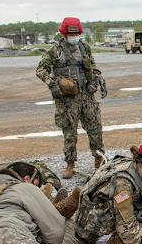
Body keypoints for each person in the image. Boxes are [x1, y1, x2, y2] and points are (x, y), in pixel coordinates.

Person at [36, 17, 107, 180]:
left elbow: (94, 67)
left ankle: (99, 160)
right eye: (71, 34)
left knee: (95, 127)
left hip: (87, 96)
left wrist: (96, 80)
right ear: (65, 34)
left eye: (77, 34)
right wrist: (53, 84)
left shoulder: (84, 47)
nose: (74, 37)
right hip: (68, 99)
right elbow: (41, 70)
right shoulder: (55, 50)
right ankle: (70, 164)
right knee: (69, 132)